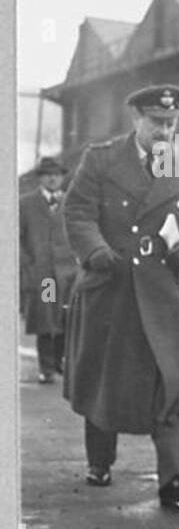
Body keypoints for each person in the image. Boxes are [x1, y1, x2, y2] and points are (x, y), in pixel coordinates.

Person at [62, 85, 179, 506]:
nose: (165, 131)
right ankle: (100, 460)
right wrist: (95, 250)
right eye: (157, 123)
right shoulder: (102, 159)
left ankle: (173, 476)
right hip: (114, 289)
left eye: (172, 123)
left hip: (166, 294)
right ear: (136, 120)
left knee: (169, 381)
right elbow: (78, 211)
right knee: (107, 378)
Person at [19, 156, 78, 383]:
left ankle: (60, 361)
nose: (53, 179)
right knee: (46, 319)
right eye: (48, 175)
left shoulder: (72, 203)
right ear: (40, 178)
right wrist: (30, 264)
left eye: (57, 175)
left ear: (63, 178)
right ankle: (47, 367)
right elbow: (16, 238)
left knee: (66, 317)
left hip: (69, 274)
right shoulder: (26, 204)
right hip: (45, 277)